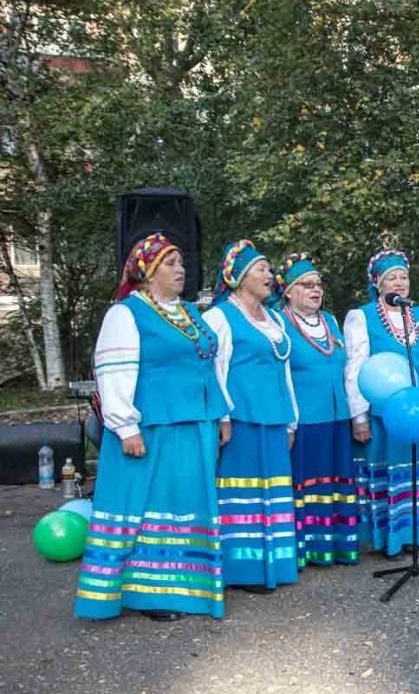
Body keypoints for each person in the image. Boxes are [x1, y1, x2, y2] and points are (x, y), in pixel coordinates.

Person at [75, 233, 228, 621]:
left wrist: (222, 414)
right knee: (155, 506)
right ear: (147, 272)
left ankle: (187, 586)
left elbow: (210, 366)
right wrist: (126, 427)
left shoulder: (190, 311)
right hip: (155, 427)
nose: (181, 270)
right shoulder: (126, 313)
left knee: (187, 504)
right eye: (171, 264)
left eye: (181, 263)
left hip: (196, 423)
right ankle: (150, 593)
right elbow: (112, 370)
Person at [204, 240, 300, 592]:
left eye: (268, 268)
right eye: (261, 269)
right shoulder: (219, 316)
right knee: (241, 494)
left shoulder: (275, 318)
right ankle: (241, 571)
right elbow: (214, 370)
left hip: (274, 419)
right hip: (240, 419)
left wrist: (291, 420)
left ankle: (272, 566)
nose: (269, 275)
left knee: (270, 494)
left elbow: (285, 372)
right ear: (239, 278)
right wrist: (222, 417)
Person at [344, 249, 419, 556]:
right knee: (393, 471)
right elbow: (356, 368)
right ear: (378, 284)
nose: (399, 283)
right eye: (392, 278)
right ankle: (393, 538)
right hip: (387, 411)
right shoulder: (362, 316)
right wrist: (359, 416)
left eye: (404, 277)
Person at [277, 253, 358, 566]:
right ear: (288, 291)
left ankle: (337, 546)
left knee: (336, 481)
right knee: (308, 483)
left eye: (318, 284)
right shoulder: (279, 323)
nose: (315, 290)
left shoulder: (331, 322)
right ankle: (307, 549)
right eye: (306, 285)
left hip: (337, 416)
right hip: (306, 419)